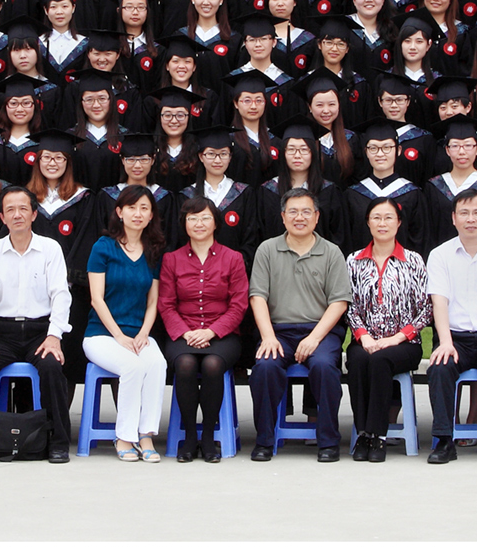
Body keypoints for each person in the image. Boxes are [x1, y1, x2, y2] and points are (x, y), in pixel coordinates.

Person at [0, 187, 77, 463]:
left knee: (52, 367)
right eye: (10, 210)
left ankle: (57, 443)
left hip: (40, 332)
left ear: (34, 214)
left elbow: (61, 295)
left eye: (23, 208)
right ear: (2, 217)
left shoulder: (50, 249)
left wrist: (54, 335)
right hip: (3, 333)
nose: (17, 215)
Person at [247, 189, 354, 463]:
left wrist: (314, 338)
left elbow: (339, 302)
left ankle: (328, 441)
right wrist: (267, 336)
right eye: (293, 212)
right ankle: (264, 440)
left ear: (316, 217)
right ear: (283, 217)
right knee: (265, 367)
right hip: (278, 332)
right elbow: (257, 296)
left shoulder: (331, 252)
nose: (299, 217)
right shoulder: (267, 249)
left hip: (321, 332)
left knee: (324, 367)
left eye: (306, 212)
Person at [157, 197, 249, 462]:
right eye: (193, 218)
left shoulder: (233, 258)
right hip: (183, 333)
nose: (199, 223)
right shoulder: (171, 259)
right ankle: (189, 437)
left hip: (222, 335)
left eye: (206, 217)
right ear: (184, 224)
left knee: (212, 364)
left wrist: (211, 332)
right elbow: (166, 304)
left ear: (216, 223)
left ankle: (208, 436)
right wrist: (186, 333)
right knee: (185, 364)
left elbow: (239, 305)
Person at [83, 188, 169, 462]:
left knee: (157, 363)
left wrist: (144, 333)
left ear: (151, 215)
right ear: (119, 212)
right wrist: (119, 336)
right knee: (133, 366)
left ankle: (146, 435)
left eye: (144, 208)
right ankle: (124, 437)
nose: (137, 214)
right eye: (131, 208)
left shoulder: (153, 250)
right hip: (102, 334)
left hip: (137, 333)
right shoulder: (103, 247)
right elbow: (96, 299)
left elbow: (153, 301)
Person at [341, 199, 429, 463]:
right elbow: (347, 304)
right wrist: (363, 336)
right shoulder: (354, 260)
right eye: (376, 217)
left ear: (398, 223)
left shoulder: (413, 261)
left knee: (380, 361)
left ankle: (377, 435)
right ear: (368, 222)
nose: (382, 223)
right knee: (357, 360)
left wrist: (398, 337)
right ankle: (363, 433)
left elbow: (426, 308)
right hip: (365, 340)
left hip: (405, 344)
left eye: (389, 218)